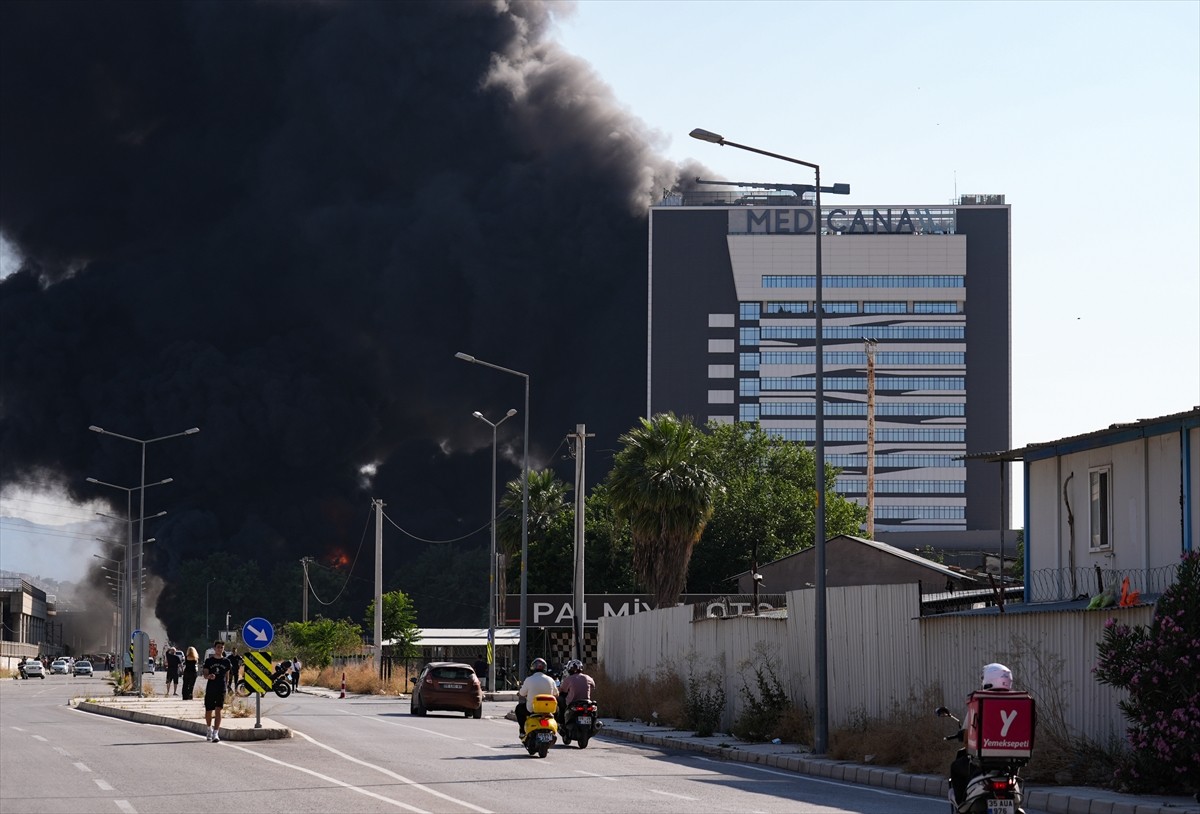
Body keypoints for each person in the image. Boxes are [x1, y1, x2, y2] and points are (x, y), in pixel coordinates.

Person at [950, 663, 1013, 806]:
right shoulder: (1020, 702)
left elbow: (967, 738)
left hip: (983, 763)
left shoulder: (979, 702)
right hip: (1009, 764)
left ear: (988, 679)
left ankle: (961, 803)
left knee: (956, 767)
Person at [514, 657, 558, 736]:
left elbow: (522, 693)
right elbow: (556, 694)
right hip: (549, 710)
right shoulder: (551, 680)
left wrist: (520, 694)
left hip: (532, 709)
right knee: (558, 709)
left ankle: (523, 730)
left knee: (518, 709)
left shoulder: (529, 679)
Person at [202, 641, 232, 743]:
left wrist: (227, 686)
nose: (220, 649)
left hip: (221, 688)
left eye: (222, 647)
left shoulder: (226, 662)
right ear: (215, 648)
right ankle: (209, 729)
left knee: (218, 710)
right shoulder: (209, 661)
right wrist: (209, 676)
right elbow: (205, 674)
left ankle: (216, 732)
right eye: (218, 647)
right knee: (209, 710)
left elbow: (227, 676)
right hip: (211, 688)